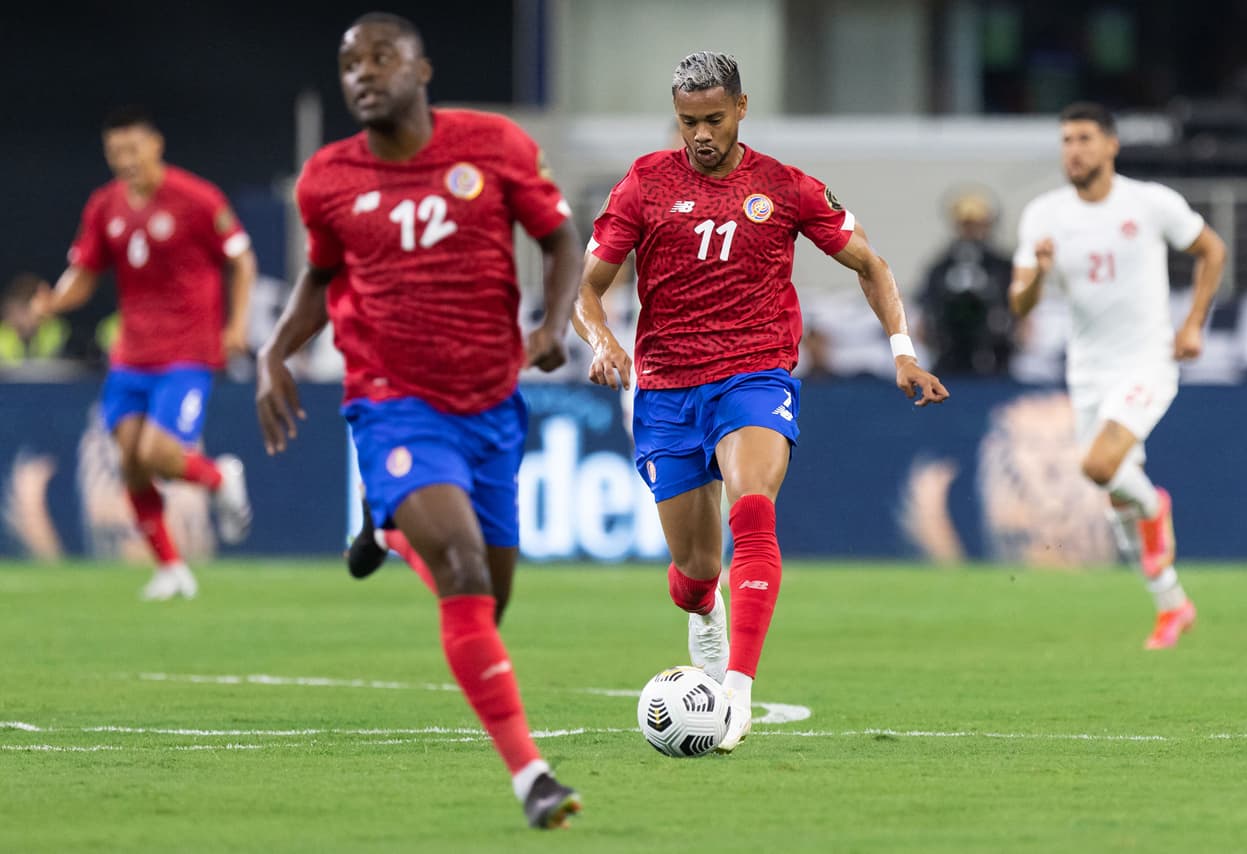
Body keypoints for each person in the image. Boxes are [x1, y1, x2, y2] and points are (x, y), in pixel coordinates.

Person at [254, 13, 582, 830]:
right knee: (466, 570)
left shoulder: (495, 146)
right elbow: (320, 280)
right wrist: (274, 355)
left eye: (380, 58)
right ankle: (532, 779)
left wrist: (551, 326)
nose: (363, 74)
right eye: (348, 65)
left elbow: (561, 236)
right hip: (393, 401)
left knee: (486, 604)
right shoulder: (326, 178)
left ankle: (388, 533)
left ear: (421, 68)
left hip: (492, 404)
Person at [573, 51, 949, 752]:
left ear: (741, 109)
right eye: (689, 122)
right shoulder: (644, 184)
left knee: (752, 507)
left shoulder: (785, 186)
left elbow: (871, 263)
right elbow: (586, 291)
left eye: (714, 119)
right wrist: (600, 342)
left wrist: (902, 350)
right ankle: (705, 606)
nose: (701, 135)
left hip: (754, 375)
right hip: (665, 388)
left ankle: (737, 697)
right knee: (694, 574)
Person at [1009, 102, 1226, 650]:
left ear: (1111, 145)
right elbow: (1019, 302)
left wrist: (1193, 323)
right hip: (1088, 371)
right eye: (1065, 140)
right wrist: (1039, 272)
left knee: (1101, 465)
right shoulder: (1044, 215)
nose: (1073, 150)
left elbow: (1211, 250)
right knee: (1113, 500)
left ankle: (1158, 506)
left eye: (1083, 138)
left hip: (1147, 360)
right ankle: (1173, 605)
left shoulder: (1149, 203)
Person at [32, 106, 255, 600]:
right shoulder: (104, 206)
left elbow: (242, 261)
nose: (124, 159)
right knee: (131, 461)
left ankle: (221, 478)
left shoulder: (197, 199)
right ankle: (171, 568)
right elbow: (83, 273)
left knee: (158, 453)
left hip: (188, 352)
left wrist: (236, 325)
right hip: (131, 356)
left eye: (133, 148)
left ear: (156, 145)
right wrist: (53, 302)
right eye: (115, 152)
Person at [918, 191, 1016, 376]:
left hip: (995, 352)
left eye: (977, 225)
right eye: (966, 225)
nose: (971, 232)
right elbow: (927, 300)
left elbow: (1017, 301)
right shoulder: (941, 266)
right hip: (948, 351)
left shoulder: (1001, 266)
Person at [0, 273, 69, 366]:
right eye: (8, 310)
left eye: (20, 309)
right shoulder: (3, 332)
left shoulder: (57, 329)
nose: (10, 316)